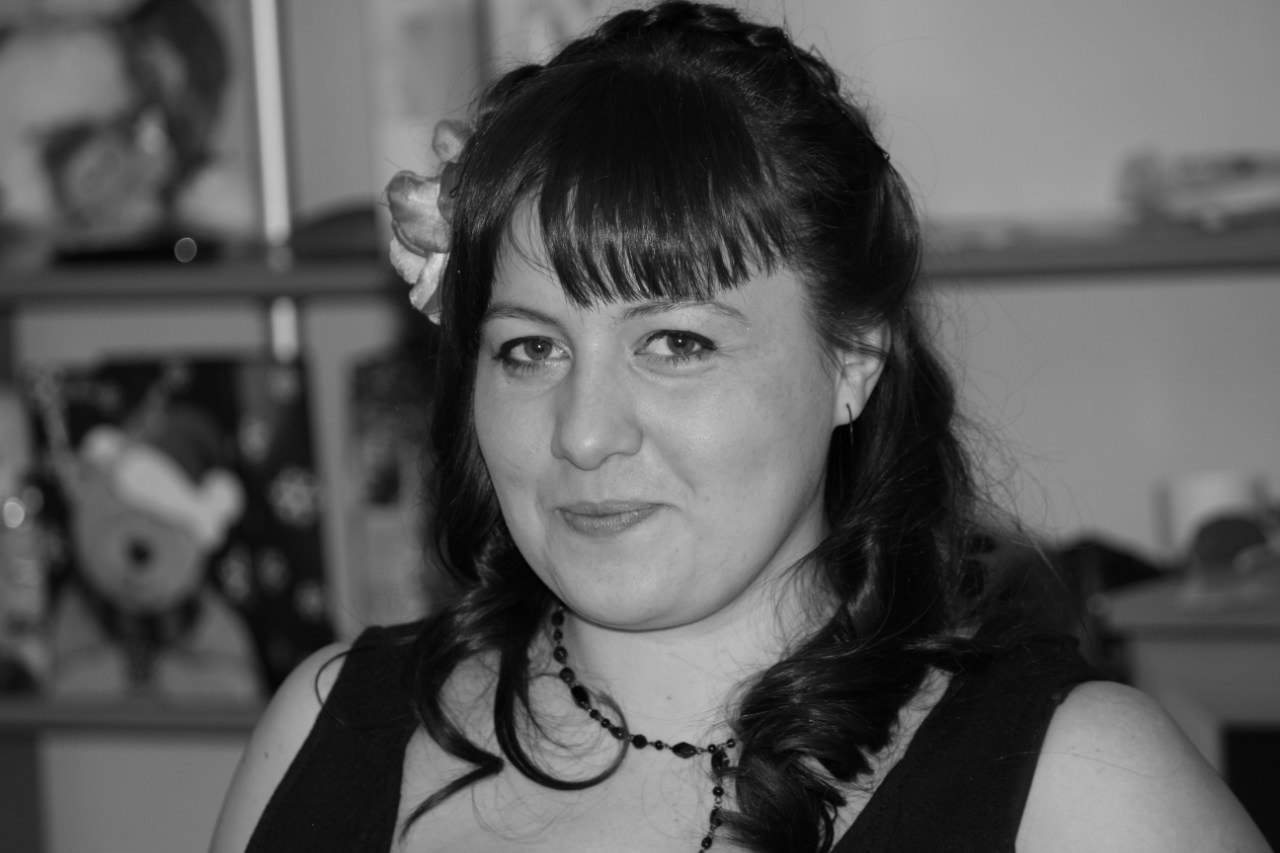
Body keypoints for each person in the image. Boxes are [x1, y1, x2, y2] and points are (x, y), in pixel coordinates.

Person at [210, 3, 1271, 852]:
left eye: (675, 343)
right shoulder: (326, 727)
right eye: (529, 348)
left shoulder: (1080, 787)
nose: (583, 434)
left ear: (852, 360)